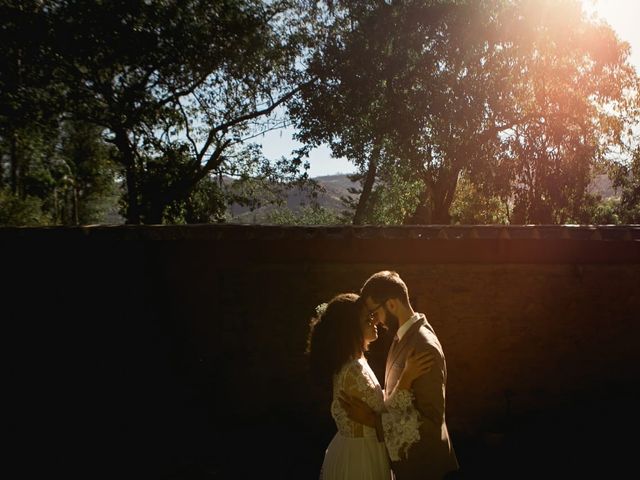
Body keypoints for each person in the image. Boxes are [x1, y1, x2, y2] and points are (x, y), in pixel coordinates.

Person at [339, 271, 460, 480]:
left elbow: (430, 422)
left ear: (392, 304)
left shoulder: (423, 346)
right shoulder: (402, 336)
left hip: (424, 468)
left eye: (375, 312)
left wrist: (373, 421)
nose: (374, 320)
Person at [306, 292, 435, 480]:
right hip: (359, 457)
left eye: (373, 315)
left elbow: (376, 406)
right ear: (350, 329)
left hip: (368, 449)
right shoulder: (352, 371)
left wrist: (372, 417)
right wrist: (407, 377)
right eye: (368, 318)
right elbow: (386, 412)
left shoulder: (357, 361)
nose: (375, 321)